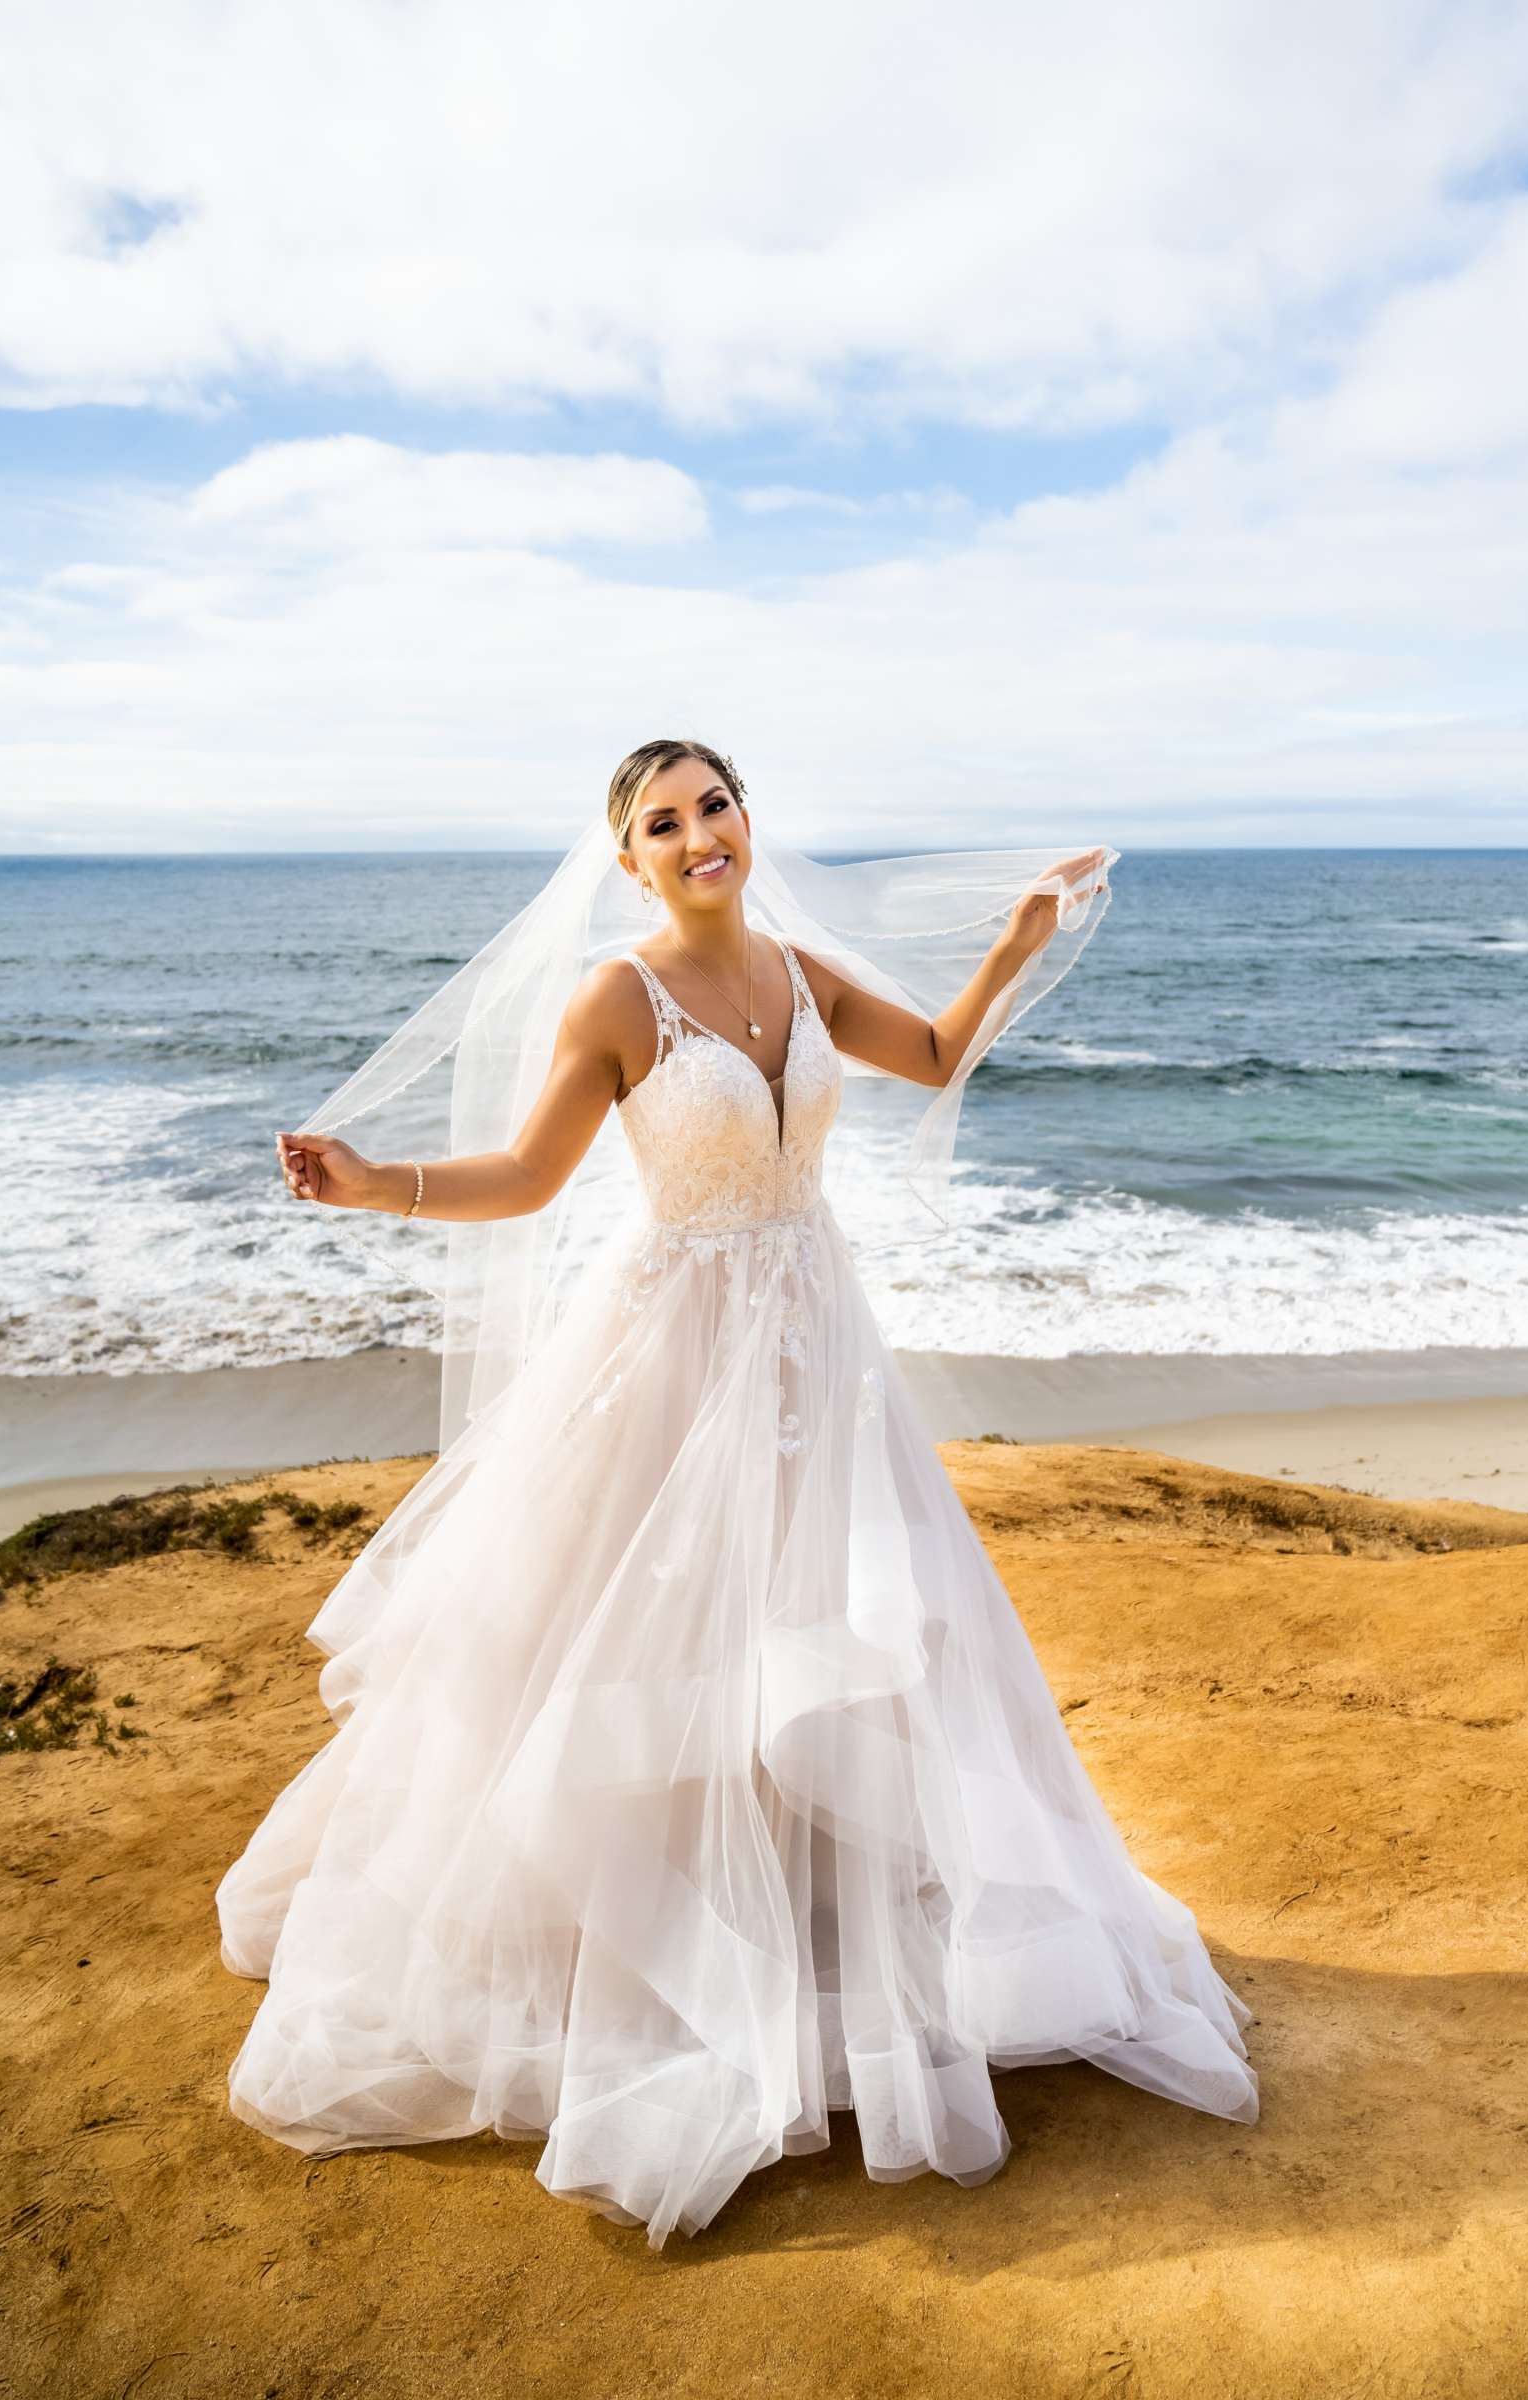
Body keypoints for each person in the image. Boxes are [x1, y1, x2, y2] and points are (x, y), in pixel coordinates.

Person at [216, 740, 1257, 2251]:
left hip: (819, 1349)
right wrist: (377, 1182)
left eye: (716, 805)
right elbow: (524, 1175)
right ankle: (660, 1960)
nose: (699, 835)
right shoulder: (616, 1000)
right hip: (674, 1354)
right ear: (627, 858)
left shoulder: (804, 969)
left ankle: (812, 1920)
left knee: (831, 1630)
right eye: (663, 822)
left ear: (748, 820)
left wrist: (1015, 947)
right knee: (650, 1647)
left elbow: (941, 1057)